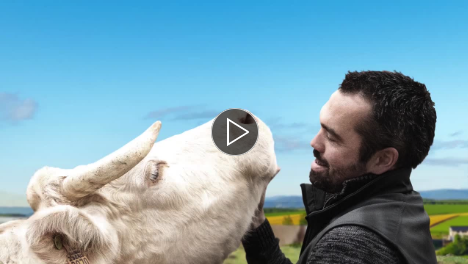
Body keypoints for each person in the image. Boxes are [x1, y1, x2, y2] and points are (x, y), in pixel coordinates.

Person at [242, 71, 438, 264]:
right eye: (321, 127)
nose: (314, 143)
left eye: (332, 137)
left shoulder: (352, 246)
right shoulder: (402, 207)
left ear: (383, 159)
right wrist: (256, 222)